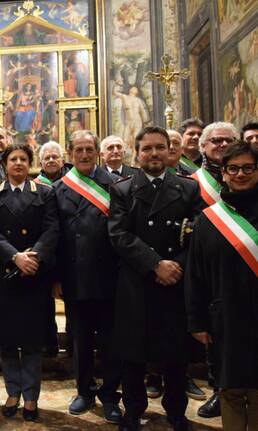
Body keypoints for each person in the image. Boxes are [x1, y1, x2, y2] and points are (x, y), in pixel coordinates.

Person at [108, 126, 203, 431]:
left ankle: (176, 411)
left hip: (174, 282)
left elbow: (197, 237)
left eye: (159, 147)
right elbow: (119, 235)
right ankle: (133, 410)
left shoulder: (187, 188)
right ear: (137, 153)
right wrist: (154, 264)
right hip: (137, 282)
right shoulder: (122, 189)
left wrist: (174, 265)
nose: (154, 154)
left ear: (169, 150)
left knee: (175, 354)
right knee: (133, 354)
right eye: (147, 148)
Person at [0, 143, 59, 422]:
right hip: (4, 275)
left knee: (31, 341)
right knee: (6, 341)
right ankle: (12, 392)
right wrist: (15, 257)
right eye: (12, 159)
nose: (17, 163)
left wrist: (32, 258)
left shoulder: (45, 193)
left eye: (23, 159)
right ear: (4, 164)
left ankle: (30, 397)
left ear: (30, 164)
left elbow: (52, 228)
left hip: (34, 275)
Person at [185, 140, 258, 431]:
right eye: (233, 169)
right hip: (226, 318)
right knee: (230, 387)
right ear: (224, 174)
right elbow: (196, 275)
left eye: (248, 168)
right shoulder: (208, 220)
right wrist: (197, 320)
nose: (240, 174)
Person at [54, 131, 122, 423]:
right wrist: (55, 277)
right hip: (75, 277)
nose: (84, 154)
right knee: (79, 341)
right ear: (70, 153)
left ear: (98, 153)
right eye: (79, 149)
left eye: (89, 149)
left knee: (110, 342)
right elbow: (54, 237)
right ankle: (84, 391)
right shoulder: (59, 189)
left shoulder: (116, 185)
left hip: (109, 278)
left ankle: (110, 395)